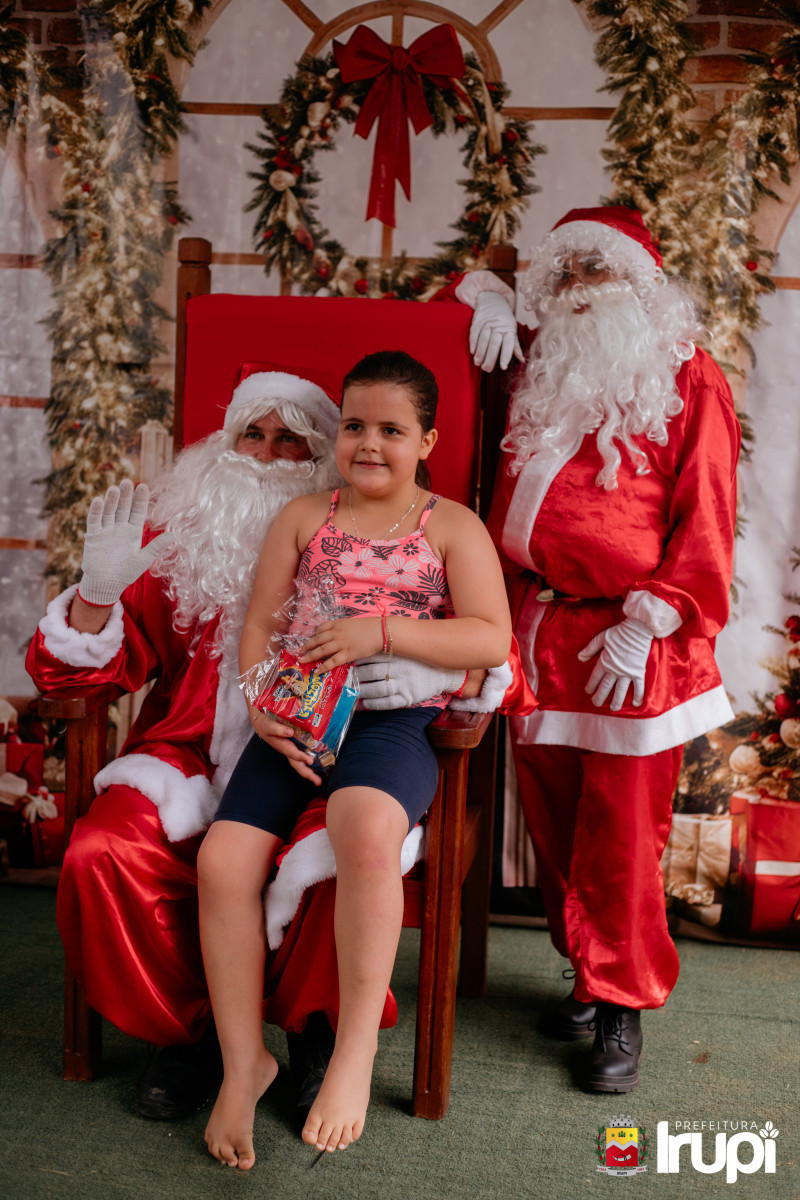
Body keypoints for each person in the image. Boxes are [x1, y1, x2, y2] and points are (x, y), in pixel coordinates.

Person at [26, 370, 466, 1119]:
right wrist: (96, 599)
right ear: (223, 444)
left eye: (291, 438)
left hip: (325, 752)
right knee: (105, 849)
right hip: (187, 757)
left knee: (341, 849)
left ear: (325, 452)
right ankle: (191, 1034)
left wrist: (429, 664)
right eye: (251, 435)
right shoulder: (181, 539)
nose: (266, 454)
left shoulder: (378, 535)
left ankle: (317, 1033)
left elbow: (484, 641)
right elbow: (75, 678)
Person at [197, 349, 514, 1169]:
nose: (369, 443)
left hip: (391, 718)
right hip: (302, 713)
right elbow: (260, 625)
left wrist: (384, 631)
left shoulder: (451, 526)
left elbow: (490, 636)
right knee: (224, 859)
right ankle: (244, 1062)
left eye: (392, 430)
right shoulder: (304, 517)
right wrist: (260, 704)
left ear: (427, 441)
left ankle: (354, 1050)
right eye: (354, 426)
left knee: (366, 827)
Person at [448, 206, 740, 1092]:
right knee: (555, 827)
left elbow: (710, 514)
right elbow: (424, 340)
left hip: (636, 642)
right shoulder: (535, 361)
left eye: (597, 269)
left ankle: (621, 1004)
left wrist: (654, 618)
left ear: (640, 283)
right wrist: (482, 293)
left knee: (620, 841)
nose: (579, 288)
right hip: (540, 633)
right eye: (564, 273)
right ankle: (587, 970)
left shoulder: (688, 374)